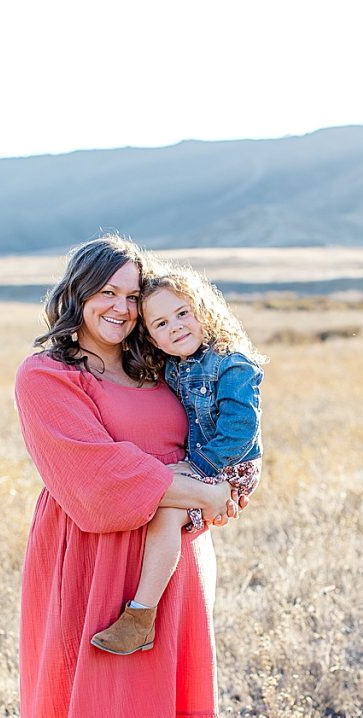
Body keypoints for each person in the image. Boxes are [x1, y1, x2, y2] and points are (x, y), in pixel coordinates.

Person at [6, 236, 240, 718]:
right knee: (83, 715)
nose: (119, 305)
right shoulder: (46, 376)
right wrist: (198, 491)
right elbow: (96, 477)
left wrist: (229, 480)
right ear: (76, 293)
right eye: (105, 290)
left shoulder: (155, 365)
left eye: (130, 293)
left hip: (167, 569)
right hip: (89, 561)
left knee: (155, 716)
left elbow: (203, 440)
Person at [90, 265, 263, 656]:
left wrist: (198, 469)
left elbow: (241, 429)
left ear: (205, 309)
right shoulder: (174, 366)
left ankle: (140, 616)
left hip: (230, 464)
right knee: (157, 499)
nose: (176, 327)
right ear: (151, 336)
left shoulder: (232, 363)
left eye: (183, 313)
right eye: (161, 323)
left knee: (165, 512)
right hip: (201, 463)